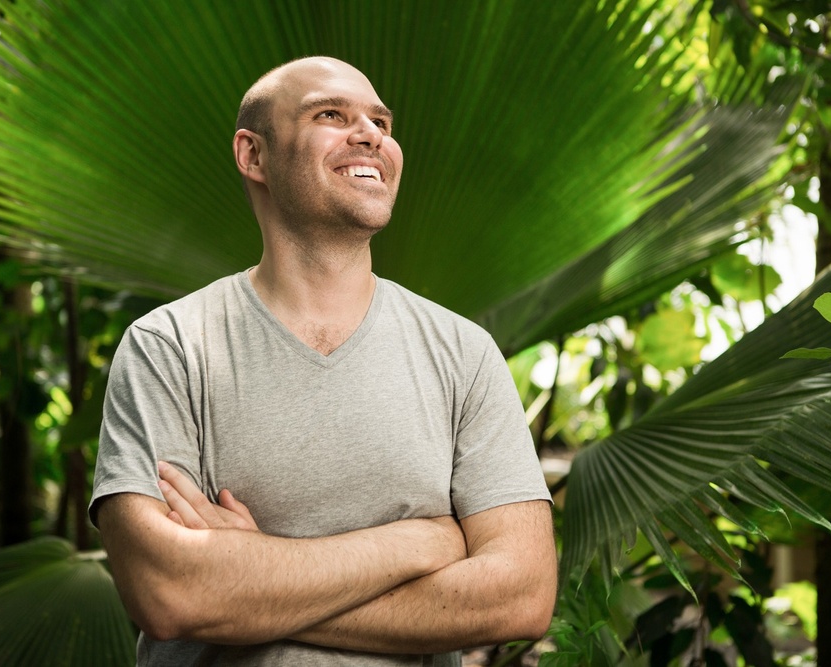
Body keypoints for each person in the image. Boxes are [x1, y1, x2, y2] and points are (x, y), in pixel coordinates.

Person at [90, 56, 557, 666]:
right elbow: (172, 593)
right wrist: (418, 543)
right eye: (331, 115)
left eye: (382, 123)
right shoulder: (171, 347)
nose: (370, 135)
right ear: (253, 155)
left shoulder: (464, 353)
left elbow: (519, 597)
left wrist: (253, 581)